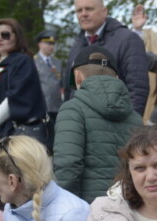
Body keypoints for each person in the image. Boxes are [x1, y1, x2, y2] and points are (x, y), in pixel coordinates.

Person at [53, 45, 144, 203]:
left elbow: (68, 164)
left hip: (86, 207)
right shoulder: (136, 118)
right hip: (127, 205)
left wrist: (67, 204)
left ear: (77, 77)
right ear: (116, 78)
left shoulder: (72, 109)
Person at [64, 0, 149, 115]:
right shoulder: (76, 45)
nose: (84, 14)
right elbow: (69, 88)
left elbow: (138, 88)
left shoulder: (128, 40)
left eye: (89, 9)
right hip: (78, 121)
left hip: (115, 122)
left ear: (104, 12)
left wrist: (130, 123)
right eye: (79, 10)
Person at [0, 19, 47, 156]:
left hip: (13, 137)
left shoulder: (23, 61)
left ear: (16, 37)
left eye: (5, 35)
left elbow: (16, 97)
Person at [33, 30, 63, 143]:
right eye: (48, 43)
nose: (51, 46)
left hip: (56, 106)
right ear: (40, 44)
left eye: (53, 44)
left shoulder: (57, 62)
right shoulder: (33, 61)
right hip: (41, 107)